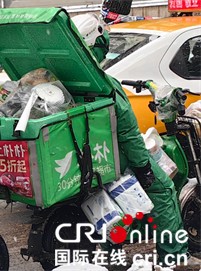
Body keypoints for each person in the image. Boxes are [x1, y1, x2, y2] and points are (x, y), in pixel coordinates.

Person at [73, 13, 201, 270]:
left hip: (89, 157)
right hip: (115, 157)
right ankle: (175, 259)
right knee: (163, 189)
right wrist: (143, 166)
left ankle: (111, 251)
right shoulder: (104, 84)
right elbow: (128, 133)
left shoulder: (74, 77)